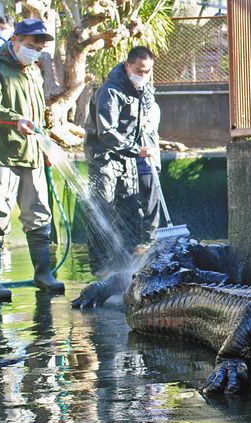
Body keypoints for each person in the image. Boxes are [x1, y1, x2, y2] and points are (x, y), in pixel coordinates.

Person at [0, 18, 64, 301]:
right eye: (31, 45)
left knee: (39, 214)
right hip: (2, 154)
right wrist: (17, 121)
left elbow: (38, 116)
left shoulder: (33, 72)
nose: (35, 50)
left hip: (33, 154)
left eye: (39, 47)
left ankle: (43, 274)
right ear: (14, 40)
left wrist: (46, 147)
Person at [84, 46, 156, 275]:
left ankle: (125, 263)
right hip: (104, 157)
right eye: (139, 70)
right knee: (102, 209)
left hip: (127, 157)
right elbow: (106, 133)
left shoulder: (142, 90)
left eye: (147, 71)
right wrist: (137, 149)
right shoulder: (110, 91)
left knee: (130, 208)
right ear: (128, 66)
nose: (143, 75)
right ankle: (100, 265)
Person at [136, 100, 161, 247]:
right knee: (135, 205)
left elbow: (149, 125)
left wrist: (144, 122)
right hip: (130, 164)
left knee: (150, 205)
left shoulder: (151, 106)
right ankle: (137, 242)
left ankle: (149, 241)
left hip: (148, 165)